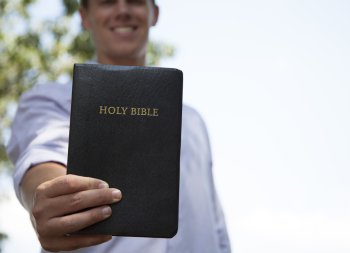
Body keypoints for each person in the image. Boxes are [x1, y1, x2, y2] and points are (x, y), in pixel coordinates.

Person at [7, 0, 231, 252]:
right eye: (107, 1)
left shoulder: (192, 121)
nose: (122, 10)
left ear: (154, 13)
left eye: (135, 0)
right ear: (85, 16)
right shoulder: (49, 101)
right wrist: (50, 196)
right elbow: (40, 159)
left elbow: (215, 224)